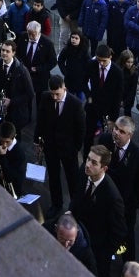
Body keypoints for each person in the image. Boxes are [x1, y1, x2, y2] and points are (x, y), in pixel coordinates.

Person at [69, 144, 127, 277]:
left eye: (94, 163)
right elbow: (77, 196)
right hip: (79, 236)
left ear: (104, 168)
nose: (88, 164)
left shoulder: (113, 197)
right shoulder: (84, 172)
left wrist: (104, 253)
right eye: (88, 159)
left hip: (98, 250)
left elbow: (120, 232)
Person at [99, 115, 139, 258]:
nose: (116, 133)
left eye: (121, 131)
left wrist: (130, 206)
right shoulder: (104, 139)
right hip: (103, 200)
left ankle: (128, 263)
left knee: (126, 237)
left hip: (125, 208)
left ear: (130, 135)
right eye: (115, 128)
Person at [35, 74, 85, 213]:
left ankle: (75, 208)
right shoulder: (46, 97)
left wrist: (76, 148)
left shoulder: (76, 104)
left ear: (64, 89)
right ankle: (56, 204)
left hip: (69, 149)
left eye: (57, 94)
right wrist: (37, 140)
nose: (55, 97)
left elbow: (81, 129)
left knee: (72, 179)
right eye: (52, 94)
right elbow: (41, 119)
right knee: (53, 177)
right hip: (50, 146)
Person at [0, 40, 35, 135]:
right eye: (3, 50)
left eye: (7, 51)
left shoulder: (22, 71)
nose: (4, 53)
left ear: (13, 53)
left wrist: (11, 101)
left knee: (14, 137)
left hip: (14, 113)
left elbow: (30, 94)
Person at [0, 121, 28, 197]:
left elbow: (10, 178)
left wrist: (2, 157)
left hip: (10, 189)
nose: (4, 145)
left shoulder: (20, 154)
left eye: (7, 142)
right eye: (2, 141)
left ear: (14, 136)